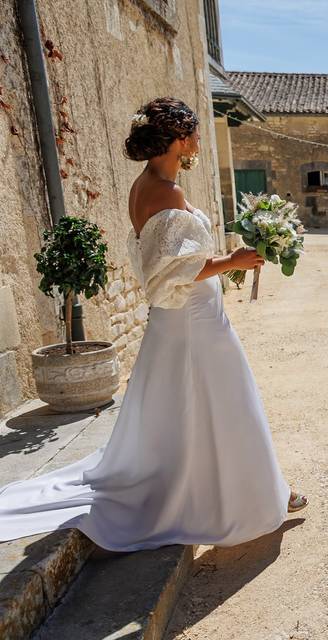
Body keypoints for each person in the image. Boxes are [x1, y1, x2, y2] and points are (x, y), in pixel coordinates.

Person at [0, 97, 306, 552]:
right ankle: (255, 501)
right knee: (228, 401)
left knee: (191, 406)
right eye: (195, 133)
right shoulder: (166, 192)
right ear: (179, 139)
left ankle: (235, 490)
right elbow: (171, 270)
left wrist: (225, 264)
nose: (199, 140)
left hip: (179, 318)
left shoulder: (145, 184)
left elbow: (171, 260)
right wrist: (234, 260)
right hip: (194, 321)